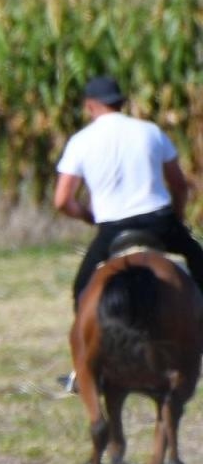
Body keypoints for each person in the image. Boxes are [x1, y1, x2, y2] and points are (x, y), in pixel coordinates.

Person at [55, 74, 203, 307]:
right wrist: (177, 217)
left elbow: (62, 200)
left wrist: (87, 215)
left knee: (81, 291)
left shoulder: (80, 142)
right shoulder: (151, 132)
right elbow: (179, 185)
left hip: (113, 229)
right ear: (120, 103)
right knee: (199, 267)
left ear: (90, 105)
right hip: (160, 223)